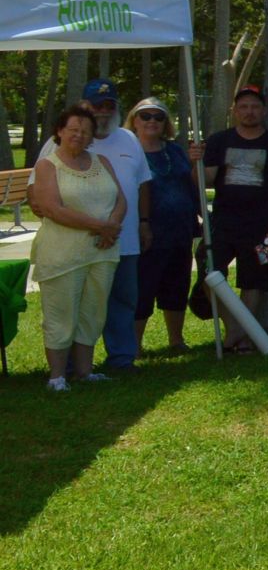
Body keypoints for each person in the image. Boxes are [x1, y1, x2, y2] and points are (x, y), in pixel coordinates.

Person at [38, 79, 149, 370]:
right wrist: (97, 227)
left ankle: (122, 359)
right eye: (95, 105)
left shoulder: (128, 138)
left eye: (108, 105)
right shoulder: (55, 145)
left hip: (120, 242)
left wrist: (136, 223)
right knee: (70, 307)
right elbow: (37, 195)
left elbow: (140, 186)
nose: (101, 111)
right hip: (72, 246)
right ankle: (69, 369)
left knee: (116, 304)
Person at [30, 103, 126, 390]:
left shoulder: (102, 162)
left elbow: (120, 199)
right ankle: (57, 376)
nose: (79, 135)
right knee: (61, 314)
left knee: (93, 313)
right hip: (63, 254)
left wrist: (112, 227)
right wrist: (99, 226)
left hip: (102, 251)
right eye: (73, 129)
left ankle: (85, 371)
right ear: (59, 131)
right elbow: (51, 208)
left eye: (85, 131)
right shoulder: (48, 165)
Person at [204, 85, 268, 353]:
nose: (249, 111)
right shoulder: (219, 141)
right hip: (222, 223)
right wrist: (195, 161)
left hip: (261, 226)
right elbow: (206, 179)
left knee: (252, 282)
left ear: (264, 111)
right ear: (234, 111)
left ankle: (238, 338)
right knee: (209, 277)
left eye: (255, 106)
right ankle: (238, 332)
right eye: (243, 106)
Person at [127, 97, 201, 354]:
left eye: (158, 117)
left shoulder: (176, 151)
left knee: (177, 287)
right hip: (146, 234)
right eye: (145, 116)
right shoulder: (129, 152)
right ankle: (134, 345)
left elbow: (191, 185)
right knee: (143, 289)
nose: (152, 122)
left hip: (180, 232)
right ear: (134, 120)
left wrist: (195, 164)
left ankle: (176, 340)